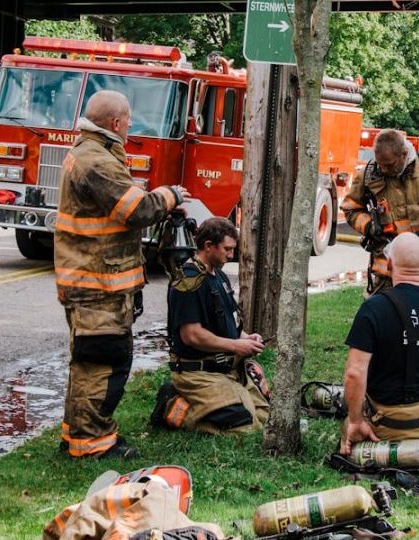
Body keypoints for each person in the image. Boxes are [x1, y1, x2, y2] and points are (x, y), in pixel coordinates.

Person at [55, 90, 189, 459]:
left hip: (94, 281)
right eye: (128, 120)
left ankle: (76, 435)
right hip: (97, 285)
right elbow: (136, 210)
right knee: (102, 361)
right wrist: (169, 196)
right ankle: (92, 443)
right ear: (115, 123)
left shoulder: (92, 154)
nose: (131, 126)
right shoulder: (96, 161)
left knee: (88, 363)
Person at [339, 233, 419, 453]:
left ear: (388, 264)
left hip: (396, 425)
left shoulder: (375, 308)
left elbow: (354, 373)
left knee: (347, 423)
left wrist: (356, 421)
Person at [150, 217, 270, 434]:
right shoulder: (187, 282)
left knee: (264, 417)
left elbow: (227, 325)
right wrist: (235, 346)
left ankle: (222, 402)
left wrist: (246, 338)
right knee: (245, 427)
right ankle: (171, 405)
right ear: (208, 246)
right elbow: (192, 336)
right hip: (198, 373)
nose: (231, 255)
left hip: (226, 370)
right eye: (227, 249)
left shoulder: (219, 276)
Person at [341, 129, 419, 294]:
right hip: (388, 274)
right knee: (383, 319)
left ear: (404, 154)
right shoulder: (369, 174)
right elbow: (351, 209)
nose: (383, 170)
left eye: (389, 165)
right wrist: (370, 226)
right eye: (380, 164)